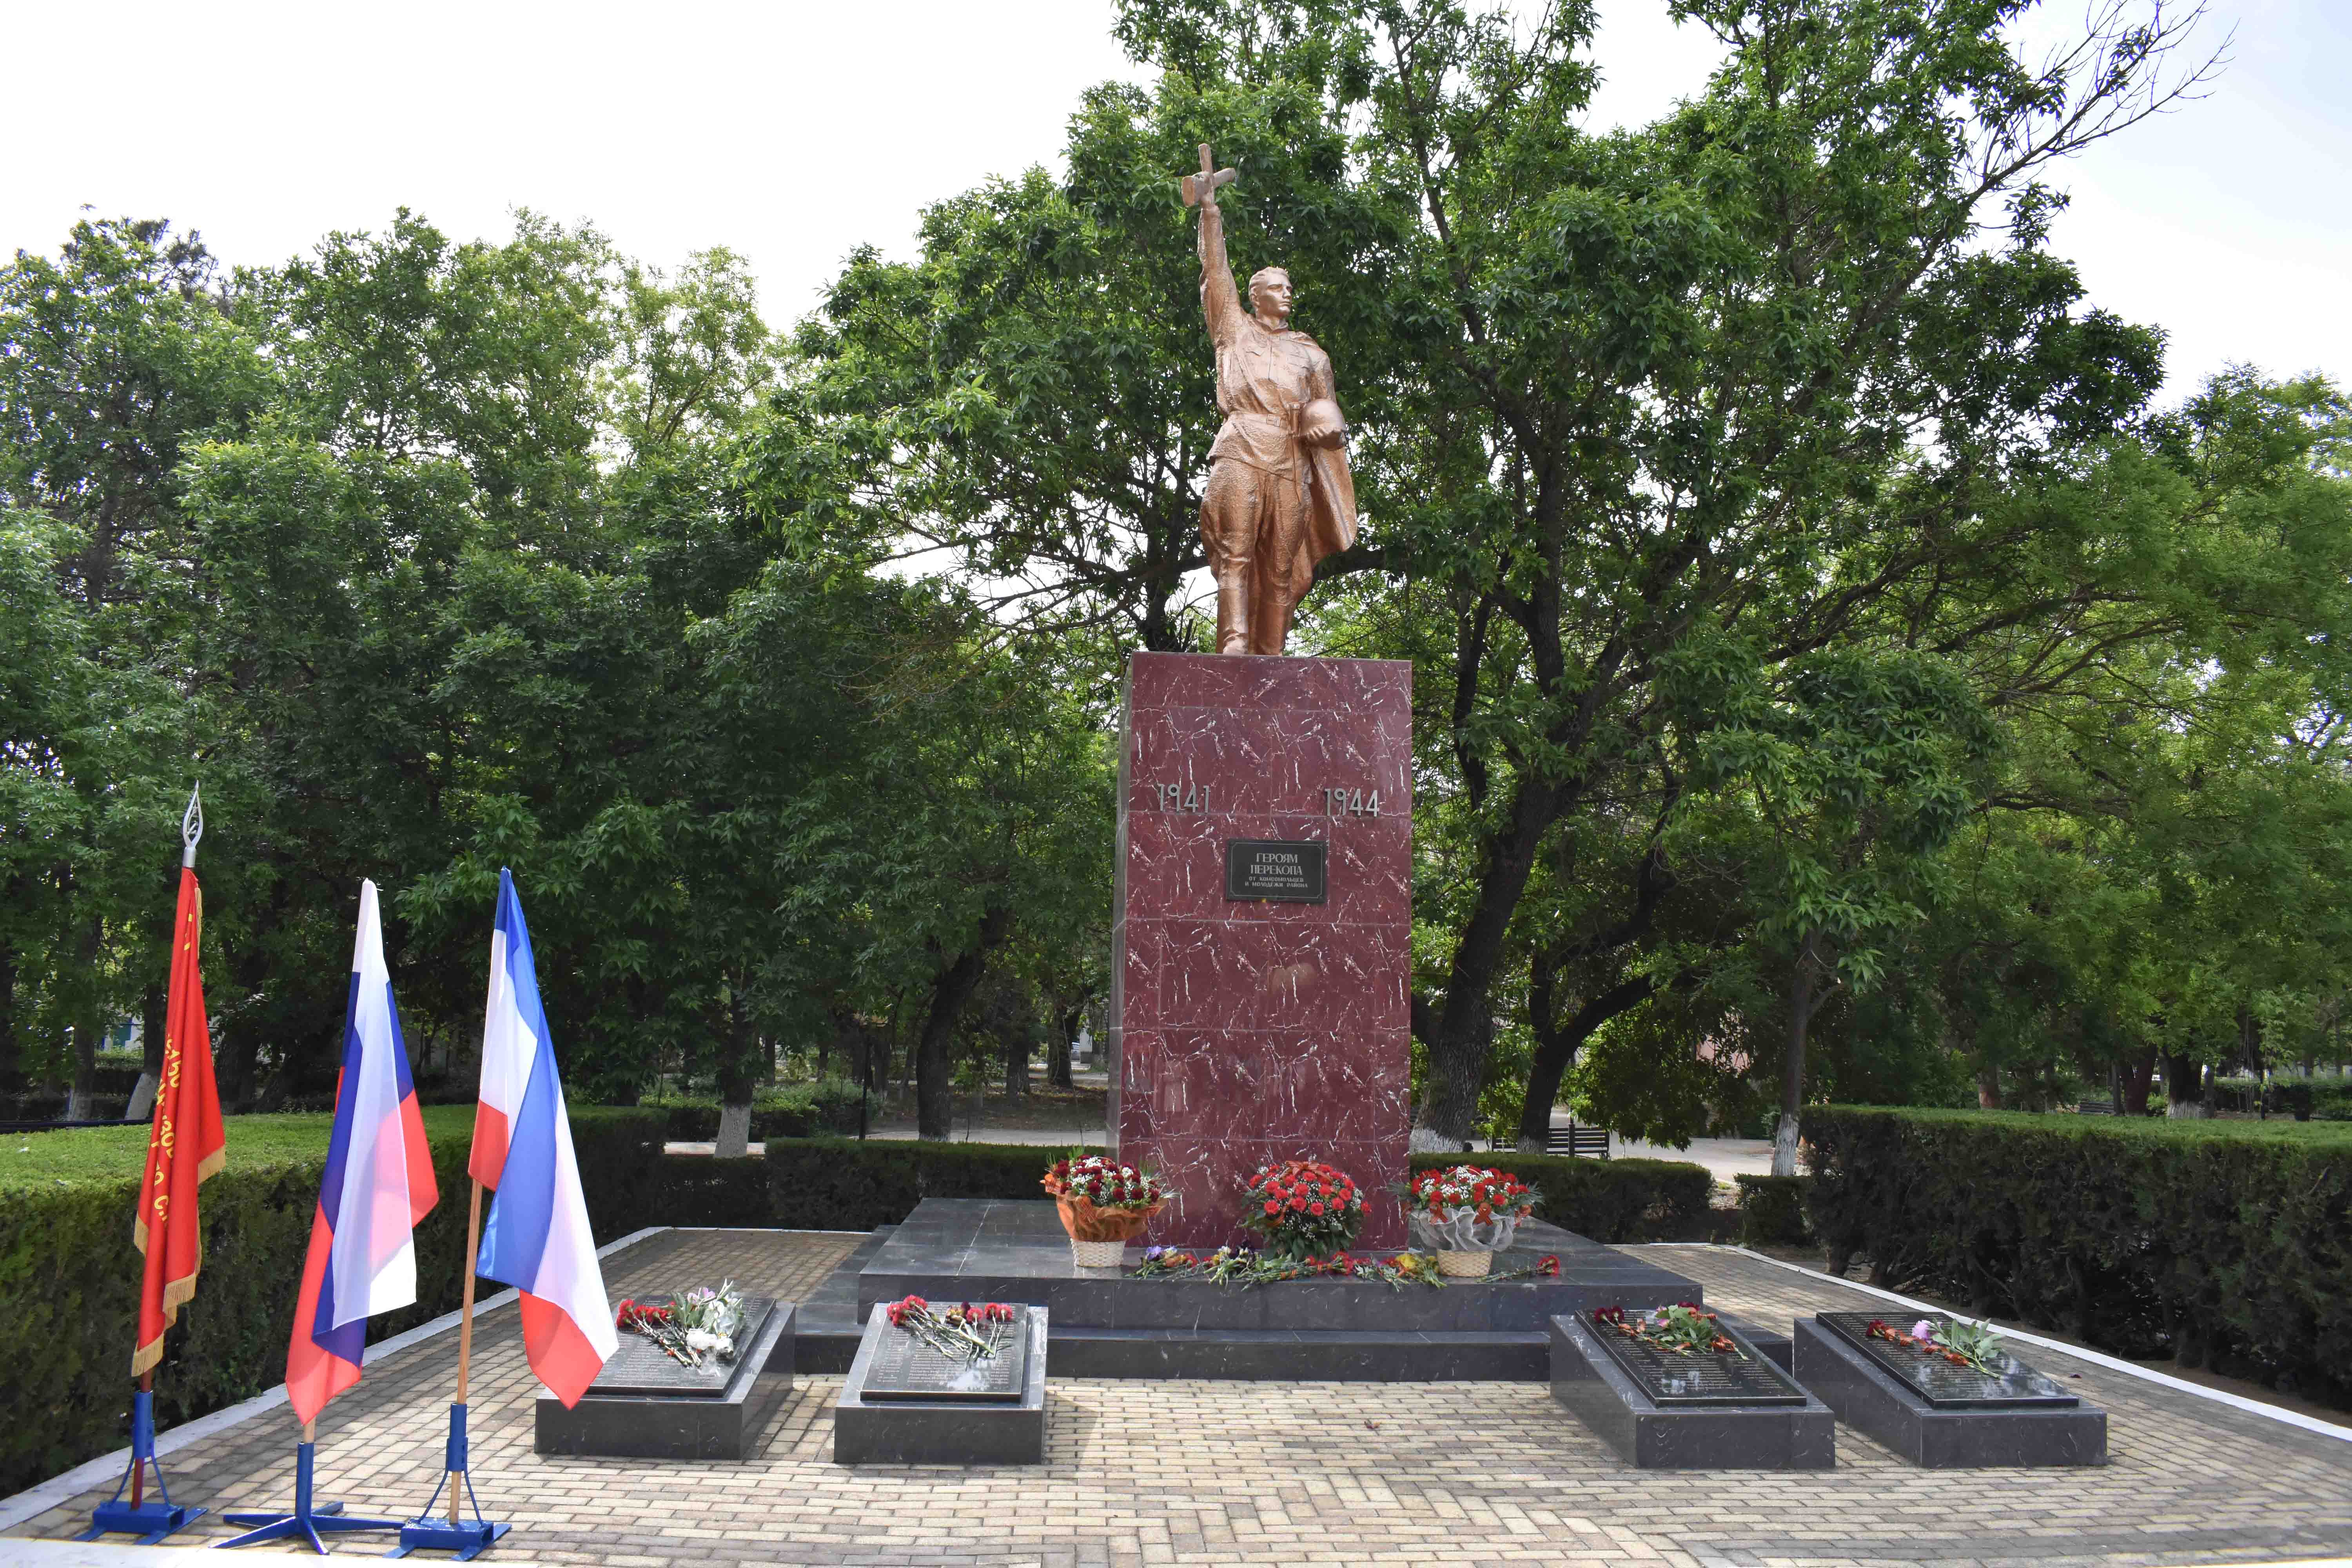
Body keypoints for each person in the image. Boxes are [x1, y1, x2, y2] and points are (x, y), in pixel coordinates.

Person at [1190, 174, 1357, 655]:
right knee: (1236, 554)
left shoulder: (1311, 354)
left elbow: (1329, 415)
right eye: (1278, 288)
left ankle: (1272, 653)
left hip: (1291, 460)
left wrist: (1330, 432)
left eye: (1289, 288)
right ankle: (1235, 641)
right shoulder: (1233, 330)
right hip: (1242, 447)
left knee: (1282, 569)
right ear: (1257, 295)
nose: (1287, 294)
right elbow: (1216, 273)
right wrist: (1210, 213)